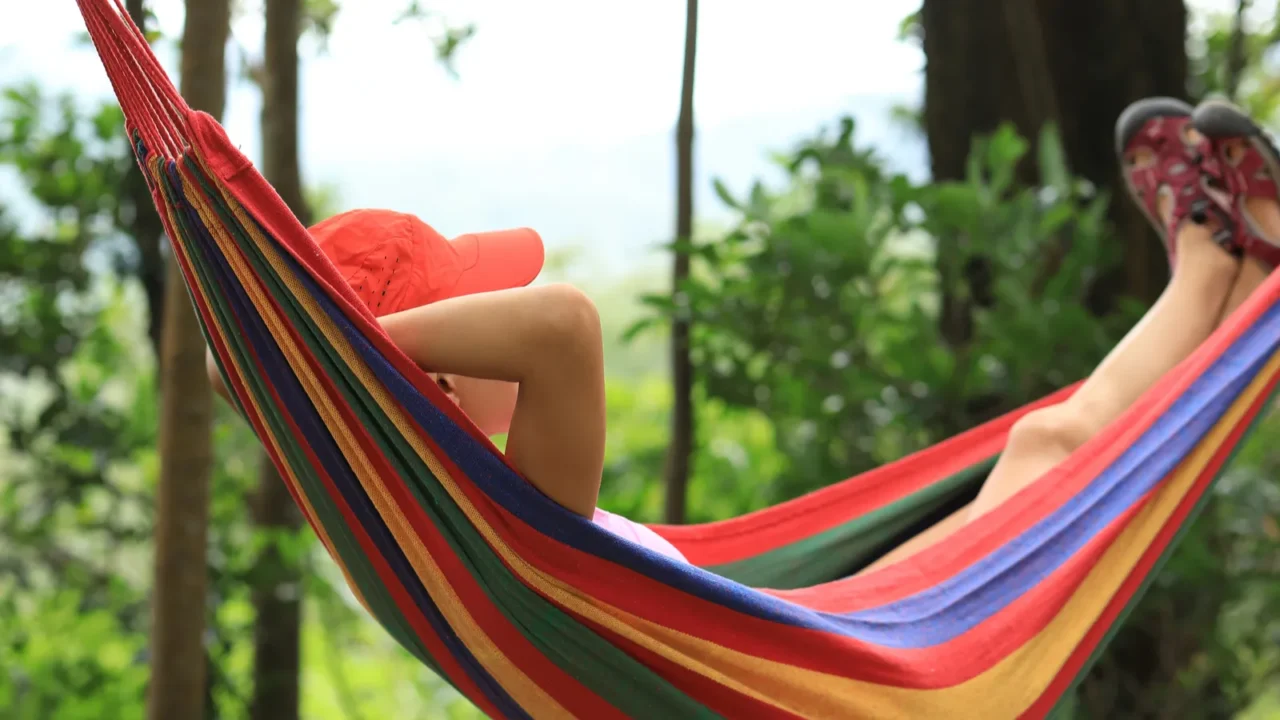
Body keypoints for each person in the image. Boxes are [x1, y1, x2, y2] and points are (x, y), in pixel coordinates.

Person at [208, 97, 1279, 573]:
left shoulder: (449, 516)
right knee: (1045, 454)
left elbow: (229, 372)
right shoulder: (510, 514)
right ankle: (1229, 283)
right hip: (854, 679)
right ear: (435, 372)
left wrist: (330, 358)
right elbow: (561, 326)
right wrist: (354, 357)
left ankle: (1212, 265)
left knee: (1038, 449)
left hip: (815, 638)